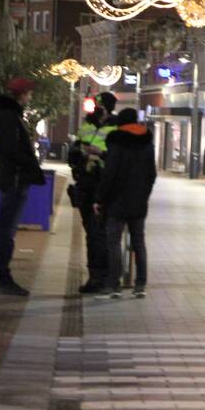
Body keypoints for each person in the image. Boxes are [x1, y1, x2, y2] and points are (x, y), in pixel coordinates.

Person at [0, 77, 45, 296]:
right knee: (6, 230)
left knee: (4, 229)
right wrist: (29, 163)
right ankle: (1, 276)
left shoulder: (4, 117)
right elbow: (10, 149)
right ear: (22, 95)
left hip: (12, 179)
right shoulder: (10, 117)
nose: (30, 97)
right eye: (29, 94)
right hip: (14, 181)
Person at [95, 108, 156, 299]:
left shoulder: (117, 141)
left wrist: (100, 198)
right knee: (138, 241)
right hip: (139, 201)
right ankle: (140, 285)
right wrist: (144, 194)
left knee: (113, 241)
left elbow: (110, 173)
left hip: (117, 200)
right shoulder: (146, 143)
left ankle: (114, 284)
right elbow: (151, 174)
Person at [67, 92, 119, 294]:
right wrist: (77, 159)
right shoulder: (87, 125)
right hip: (86, 184)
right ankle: (96, 276)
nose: (95, 108)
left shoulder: (115, 128)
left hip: (103, 186)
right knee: (91, 232)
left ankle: (104, 277)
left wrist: (100, 156)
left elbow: (116, 159)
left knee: (100, 234)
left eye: (99, 105)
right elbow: (75, 149)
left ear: (107, 108)